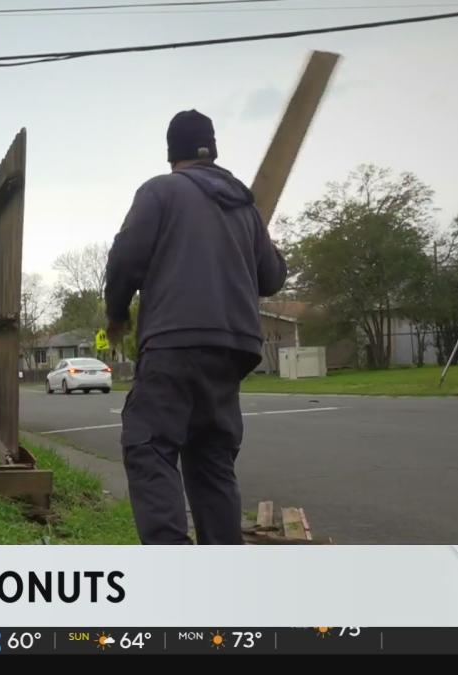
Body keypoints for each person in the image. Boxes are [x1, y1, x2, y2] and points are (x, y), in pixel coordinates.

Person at [104, 109, 287, 545]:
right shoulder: (244, 206)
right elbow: (273, 277)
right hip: (233, 350)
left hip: (173, 342)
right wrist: (255, 231)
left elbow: (125, 260)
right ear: (214, 149)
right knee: (211, 460)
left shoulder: (161, 192)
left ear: (172, 154)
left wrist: (117, 313)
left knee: (149, 446)